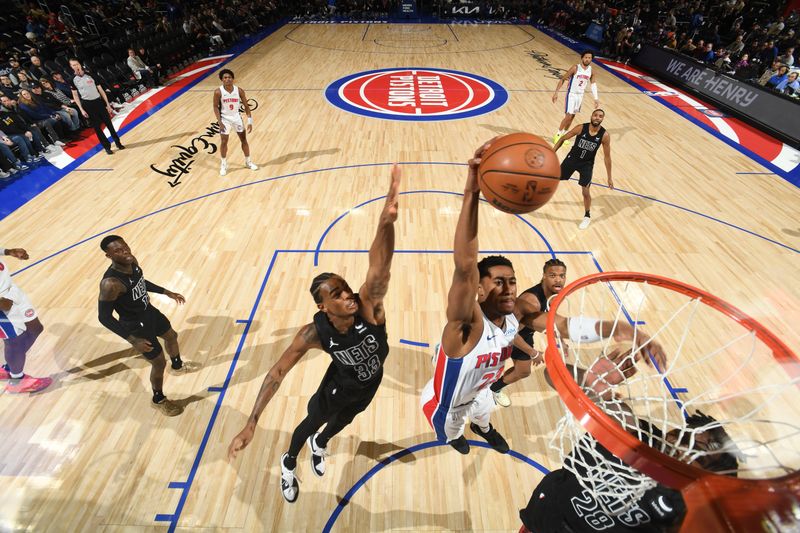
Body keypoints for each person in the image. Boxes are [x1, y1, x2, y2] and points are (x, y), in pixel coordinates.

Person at [227, 165, 401, 503]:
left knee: (345, 421)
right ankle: (289, 462)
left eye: (346, 289)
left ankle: (320, 445)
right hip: (338, 385)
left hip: (370, 382)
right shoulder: (314, 333)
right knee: (311, 421)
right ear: (323, 308)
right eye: (336, 294)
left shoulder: (369, 308)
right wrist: (252, 422)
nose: (348, 295)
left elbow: (380, 265)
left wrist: (386, 220)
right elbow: (276, 373)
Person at [519, 351, 738, 533]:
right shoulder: (631, 430)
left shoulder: (685, 508)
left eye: (699, 454)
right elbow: (552, 374)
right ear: (672, 434)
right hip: (544, 515)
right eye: (687, 438)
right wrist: (592, 382)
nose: (685, 450)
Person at [420, 139, 517, 456]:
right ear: (478, 288)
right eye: (498, 282)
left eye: (512, 281)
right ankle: (455, 436)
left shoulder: (511, 319)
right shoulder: (465, 325)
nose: (508, 288)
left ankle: (483, 429)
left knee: (484, 414)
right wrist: (472, 190)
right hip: (449, 405)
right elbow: (464, 266)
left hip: (482, 390)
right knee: (451, 432)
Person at [491, 258, 666, 407]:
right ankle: (484, 390)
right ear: (543, 276)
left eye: (562, 276)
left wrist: (560, 339)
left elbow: (551, 322)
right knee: (492, 369)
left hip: (523, 334)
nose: (558, 280)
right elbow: (510, 333)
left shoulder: (551, 295)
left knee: (523, 372)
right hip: (507, 338)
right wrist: (533, 352)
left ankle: (494, 388)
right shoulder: (531, 301)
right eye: (552, 276)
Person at [97, 235, 198, 416]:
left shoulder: (132, 261)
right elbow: (104, 318)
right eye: (118, 250)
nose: (125, 251)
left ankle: (177, 366)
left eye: (125, 246)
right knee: (159, 363)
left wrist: (166, 292)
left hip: (149, 312)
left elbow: (141, 282)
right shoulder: (110, 284)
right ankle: (158, 399)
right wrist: (133, 340)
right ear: (108, 255)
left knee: (172, 336)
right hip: (135, 325)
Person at [0, 246, 52, 393]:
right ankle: (17, 381)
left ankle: (11, 366)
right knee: (13, 341)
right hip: (3, 304)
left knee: (35, 328)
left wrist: (8, 252)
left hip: (11, 292)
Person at [553, 108, 613, 230]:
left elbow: (607, 158)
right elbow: (563, 138)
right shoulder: (581, 128)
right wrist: (552, 152)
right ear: (591, 116)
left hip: (587, 164)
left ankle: (587, 216)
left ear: (602, 119)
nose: (597, 117)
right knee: (553, 179)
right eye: (595, 115)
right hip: (572, 159)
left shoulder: (604, 135)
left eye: (600, 116)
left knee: (585, 192)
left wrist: (609, 177)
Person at [68, 58, 125, 155]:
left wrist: (107, 104)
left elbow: (101, 90)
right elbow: (75, 95)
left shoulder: (90, 75)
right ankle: (107, 147)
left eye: (77, 64)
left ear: (80, 64)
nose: (76, 66)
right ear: (71, 67)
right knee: (97, 128)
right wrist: (81, 109)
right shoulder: (72, 80)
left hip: (98, 102)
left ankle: (118, 142)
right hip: (87, 104)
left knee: (109, 124)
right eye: (73, 65)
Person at [213, 69, 257, 176]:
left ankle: (248, 162)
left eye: (229, 77)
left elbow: (246, 106)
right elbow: (215, 107)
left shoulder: (239, 90)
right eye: (225, 78)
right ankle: (223, 164)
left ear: (233, 79)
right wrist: (220, 121)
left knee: (244, 140)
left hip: (236, 118)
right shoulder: (218, 92)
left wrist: (250, 121)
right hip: (225, 119)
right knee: (224, 142)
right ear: (222, 80)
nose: (227, 79)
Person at [552, 51, 600, 146]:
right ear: (582, 58)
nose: (587, 59)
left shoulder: (591, 70)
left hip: (580, 95)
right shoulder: (575, 68)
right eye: (586, 57)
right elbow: (563, 79)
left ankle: (564, 135)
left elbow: (593, 84)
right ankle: (557, 134)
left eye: (589, 58)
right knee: (568, 116)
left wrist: (596, 98)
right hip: (572, 94)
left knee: (572, 117)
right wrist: (556, 93)